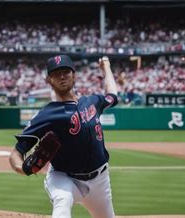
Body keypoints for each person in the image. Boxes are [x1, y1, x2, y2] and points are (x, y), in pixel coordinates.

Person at [9, 55, 119, 217]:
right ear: (49, 80)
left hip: (100, 180)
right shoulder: (47, 115)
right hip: (64, 178)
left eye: (66, 72)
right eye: (56, 73)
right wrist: (22, 169)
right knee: (63, 199)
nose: (62, 76)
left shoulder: (92, 101)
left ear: (74, 75)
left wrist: (106, 68)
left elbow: (112, 95)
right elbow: (16, 153)